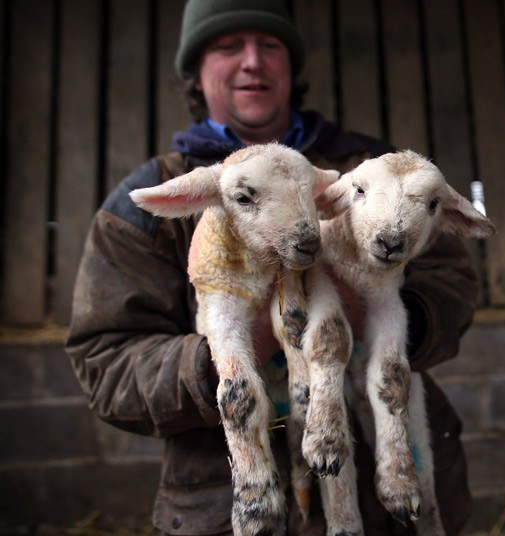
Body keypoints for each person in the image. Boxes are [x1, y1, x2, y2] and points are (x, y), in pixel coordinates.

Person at [65, 1, 475, 534]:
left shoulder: (373, 172)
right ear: (196, 71)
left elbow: (453, 284)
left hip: (392, 503)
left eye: (271, 45)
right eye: (228, 47)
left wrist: (380, 321)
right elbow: (106, 360)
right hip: (220, 499)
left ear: (291, 66)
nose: (253, 62)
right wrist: (233, 352)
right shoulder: (148, 203)